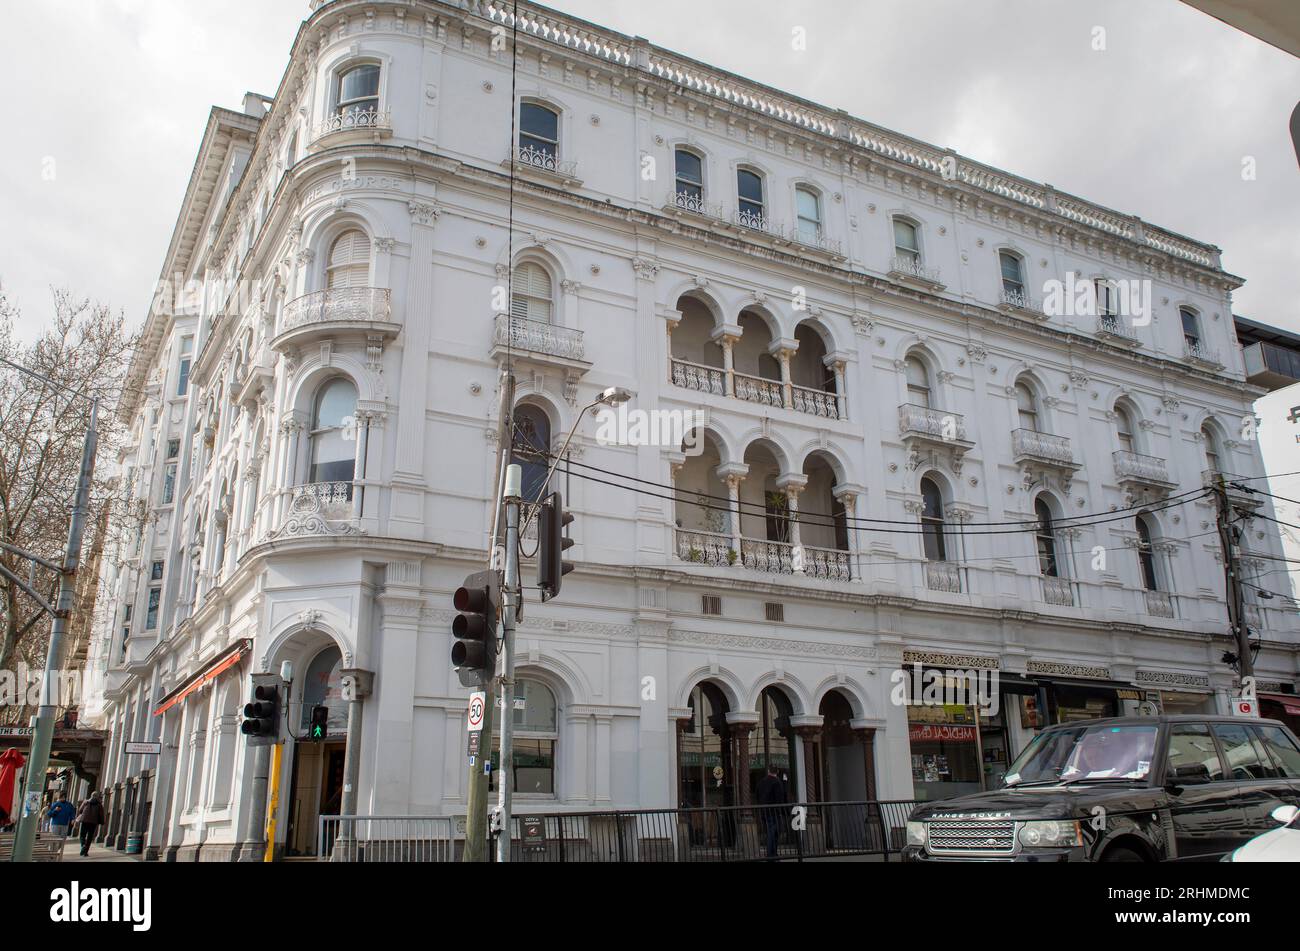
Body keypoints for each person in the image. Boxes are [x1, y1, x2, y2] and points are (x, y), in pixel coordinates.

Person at [754, 765, 786, 860]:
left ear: (768, 771)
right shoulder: (777, 782)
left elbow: (757, 795)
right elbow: (780, 798)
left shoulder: (761, 782)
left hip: (764, 811)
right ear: (777, 771)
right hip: (774, 811)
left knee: (771, 832)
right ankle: (771, 854)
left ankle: (773, 853)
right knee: (773, 833)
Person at [75, 791, 104, 856]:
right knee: (90, 837)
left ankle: (83, 845)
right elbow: (101, 814)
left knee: (82, 835)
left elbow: (80, 810)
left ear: (91, 796)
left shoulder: (86, 802)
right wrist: (102, 822)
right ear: (97, 797)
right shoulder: (99, 804)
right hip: (93, 822)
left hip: (85, 821)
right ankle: (86, 852)